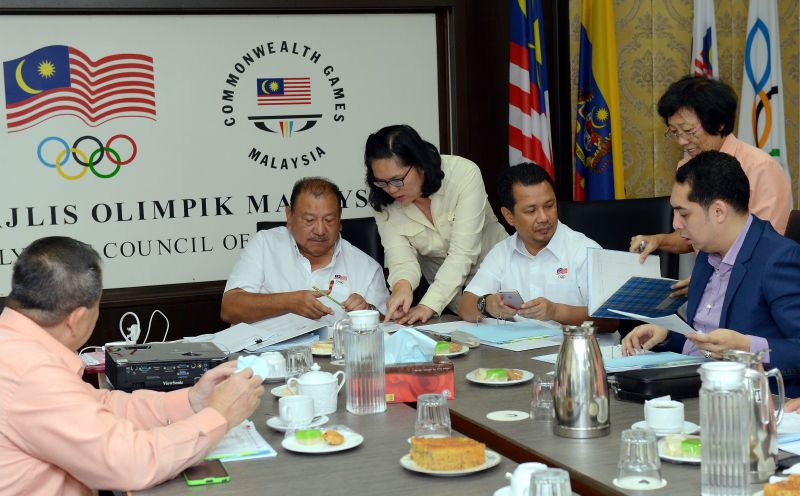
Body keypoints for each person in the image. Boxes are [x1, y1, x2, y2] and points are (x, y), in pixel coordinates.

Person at [0, 237, 265, 495]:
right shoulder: (31, 373)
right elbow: (132, 463)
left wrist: (193, 400)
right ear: (76, 319)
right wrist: (219, 415)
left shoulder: (14, 343)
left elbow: (98, 406)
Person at [622, 151, 800, 397]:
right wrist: (665, 336)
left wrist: (746, 347)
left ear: (718, 211)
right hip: (701, 390)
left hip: (754, 403)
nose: (676, 224)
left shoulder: (777, 258)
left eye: (683, 214)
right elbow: (709, 346)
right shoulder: (707, 251)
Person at [631, 76, 791, 296]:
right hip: (706, 285)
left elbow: (764, 245)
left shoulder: (761, 168)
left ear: (719, 124)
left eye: (688, 131)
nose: (681, 141)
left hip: (753, 290)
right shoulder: (687, 167)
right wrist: (658, 240)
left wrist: (713, 279)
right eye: (674, 132)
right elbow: (689, 236)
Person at [365, 124, 508, 325]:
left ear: (420, 163)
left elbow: (463, 252)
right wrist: (402, 287)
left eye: (397, 180)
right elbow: (400, 258)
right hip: (452, 299)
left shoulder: (463, 174)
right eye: (381, 182)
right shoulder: (383, 201)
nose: (391, 190)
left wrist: (427, 305)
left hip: (498, 280)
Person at [458, 163, 614, 330]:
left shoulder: (585, 251)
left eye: (549, 206)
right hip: (522, 350)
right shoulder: (501, 252)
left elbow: (610, 320)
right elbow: (465, 308)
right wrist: (487, 304)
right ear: (509, 216)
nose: (543, 218)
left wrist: (556, 311)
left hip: (579, 351)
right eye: (531, 211)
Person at [221, 177, 389, 324]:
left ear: (339, 221)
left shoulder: (366, 267)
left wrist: (368, 310)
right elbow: (229, 309)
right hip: (267, 356)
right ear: (289, 216)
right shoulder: (265, 244)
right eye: (309, 220)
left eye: (329, 220)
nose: (320, 230)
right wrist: (290, 302)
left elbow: (388, 326)